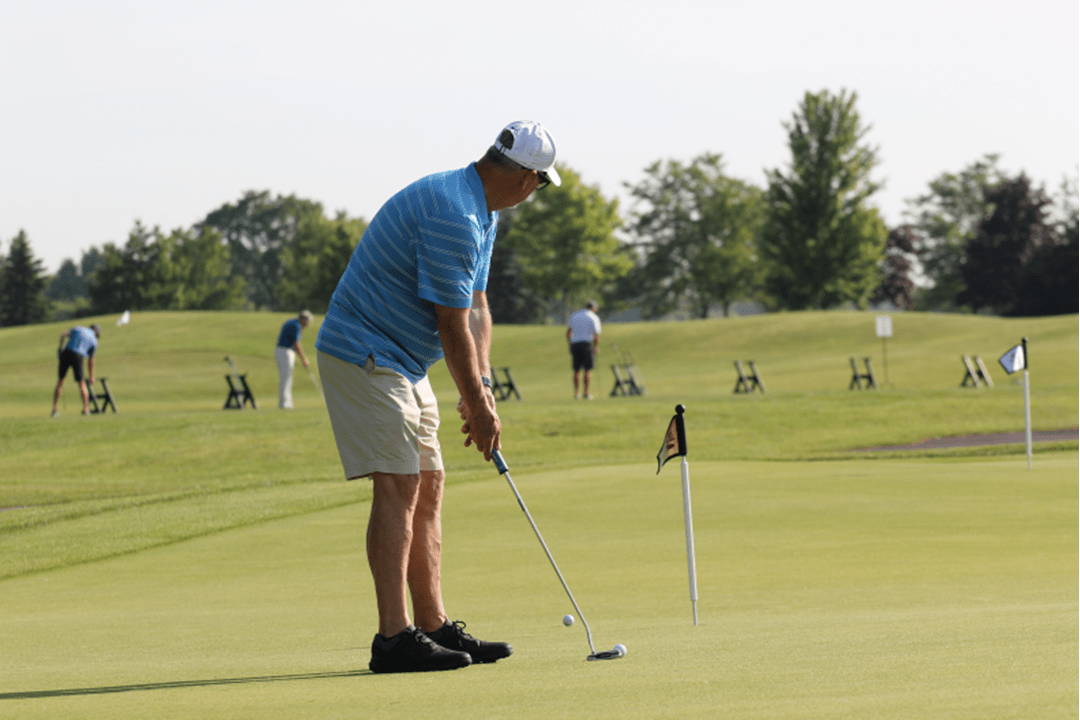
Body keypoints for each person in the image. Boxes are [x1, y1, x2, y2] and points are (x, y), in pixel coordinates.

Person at [315, 120, 561, 674]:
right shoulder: (454, 212)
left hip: (403, 358)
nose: (534, 194)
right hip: (367, 351)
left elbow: (476, 307)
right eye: (541, 184)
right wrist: (473, 401)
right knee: (400, 483)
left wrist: (484, 390)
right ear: (526, 177)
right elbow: (450, 324)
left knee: (429, 483)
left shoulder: (482, 212)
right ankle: (393, 638)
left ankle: (431, 625)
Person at [51, 324, 101, 417]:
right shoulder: (94, 341)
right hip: (78, 357)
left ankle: (54, 410)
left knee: (60, 381)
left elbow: (63, 335)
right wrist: (91, 376)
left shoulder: (78, 328)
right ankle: (86, 409)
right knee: (82, 383)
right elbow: (91, 361)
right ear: (97, 332)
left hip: (66, 353)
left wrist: (60, 349)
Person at [276, 310, 313, 409]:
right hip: (285, 351)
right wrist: (303, 359)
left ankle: (286, 401)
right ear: (304, 319)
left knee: (286, 377)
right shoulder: (296, 326)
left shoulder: (291, 322)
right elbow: (296, 344)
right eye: (308, 322)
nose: (307, 325)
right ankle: (285, 403)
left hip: (281, 351)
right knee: (287, 377)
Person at [566, 300, 601, 399]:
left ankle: (576, 394)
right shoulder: (593, 317)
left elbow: (568, 333)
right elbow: (596, 335)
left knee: (576, 370)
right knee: (587, 370)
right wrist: (595, 347)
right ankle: (586, 393)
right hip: (587, 344)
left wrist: (570, 345)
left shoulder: (575, 315)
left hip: (575, 344)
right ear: (593, 308)